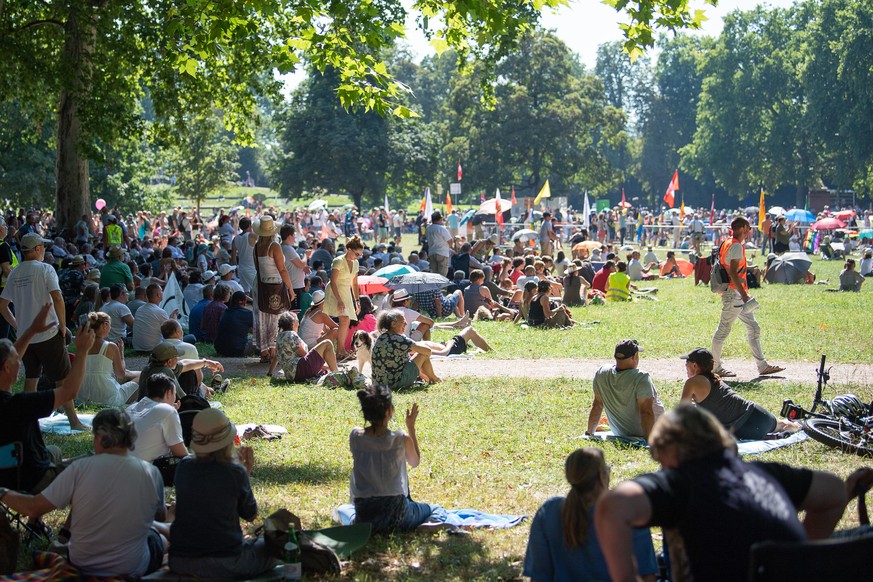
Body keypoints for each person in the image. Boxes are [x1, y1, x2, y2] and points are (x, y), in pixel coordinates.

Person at [595, 404, 849, 582]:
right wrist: (798, 560)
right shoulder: (767, 474)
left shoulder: (683, 484)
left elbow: (612, 506)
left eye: (657, 456)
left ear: (668, 449)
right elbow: (835, 491)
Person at [0, 408, 167, 578]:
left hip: (82, 562)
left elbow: (33, 508)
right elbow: (159, 517)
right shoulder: (151, 472)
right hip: (131, 567)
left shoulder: (79, 468)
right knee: (160, 539)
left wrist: (3, 492)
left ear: (100, 438)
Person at [524, 448, 658, 582]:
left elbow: (539, 576)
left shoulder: (548, 512)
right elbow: (647, 576)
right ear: (602, 476)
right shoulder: (626, 515)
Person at [169, 408, 274, 578]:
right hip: (226, 561)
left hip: (180, 561)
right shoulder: (235, 472)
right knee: (279, 547)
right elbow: (250, 514)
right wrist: (245, 474)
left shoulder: (183, 467)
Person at [0, 306, 92, 494]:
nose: (21, 362)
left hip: (5, 469)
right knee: (99, 460)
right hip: (32, 479)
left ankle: (35, 522)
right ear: (7, 368)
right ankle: (67, 523)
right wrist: (82, 351)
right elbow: (69, 391)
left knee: (54, 451)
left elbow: (10, 355)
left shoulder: (13, 402)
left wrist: (32, 330)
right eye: (17, 360)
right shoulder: (20, 405)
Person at [0, 233, 84, 429]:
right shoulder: (46, 269)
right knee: (62, 378)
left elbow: (2, 305)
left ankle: (29, 422)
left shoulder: (14, 272)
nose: (45, 250)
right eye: (43, 247)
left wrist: (17, 326)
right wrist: (62, 326)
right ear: (37, 249)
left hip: (26, 336)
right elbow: (58, 298)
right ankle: (74, 421)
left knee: (31, 378)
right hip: (48, 333)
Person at [350, 385, 437, 533]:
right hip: (397, 514)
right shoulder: (401, 438)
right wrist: (411, 427)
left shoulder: (355, 437)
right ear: (389, 411)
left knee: (344, 510)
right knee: (435, 509)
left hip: (365, 515)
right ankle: (429, 524)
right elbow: (415, 462)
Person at [711, 216, 784, 377]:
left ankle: (762, 365)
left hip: (735, 293)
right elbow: (733, 273)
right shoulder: (736, 246)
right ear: (743, 227)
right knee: (723, 330)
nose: (749, 232)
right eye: (749, 228)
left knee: (753, 328)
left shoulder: (727, 242)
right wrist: (744, 295)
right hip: (735, 295)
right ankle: (715, 367)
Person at [679, 347, 800, 439]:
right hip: (758, 417)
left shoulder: (693, 382)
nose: (685, 367)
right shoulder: (714, 378)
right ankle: (801, 427)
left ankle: (801, 427)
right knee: (785, 425)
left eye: (687, 363)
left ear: (694, 365)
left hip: (744, 427)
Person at [586, 340, 664, 440]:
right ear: (635, 356)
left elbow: (597, 405)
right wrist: (649, 442)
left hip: (621, 432)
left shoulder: (602, 372)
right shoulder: (641, 378)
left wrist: (589, 433)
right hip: (655, 431)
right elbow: (646, 411)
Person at [252, 215, 295, 362]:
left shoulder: (257, 246)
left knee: (262, 318)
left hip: (260, 285)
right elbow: (282, 269)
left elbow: (257, 267)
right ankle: (273, 350)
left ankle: (264, 352)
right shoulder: (275, 246)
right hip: (275, 285)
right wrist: (290, 289)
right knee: (275, 318)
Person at [78, 312, 140, 407]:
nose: (110, 328)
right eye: (110, 325)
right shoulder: (110, 346)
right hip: (107, 397)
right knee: (143, 375)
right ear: (105, 325)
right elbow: (121, 374)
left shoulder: (82, 345)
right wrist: (121, 355)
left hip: (84, 395)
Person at [127, 373, 188, 462]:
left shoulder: (130, 408)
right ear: (168, 393)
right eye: (174, 394)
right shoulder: (168, 411)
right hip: (147, 471)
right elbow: (180, 453)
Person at [371, 309, 439, 388]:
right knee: (423, 355)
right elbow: (428, 351)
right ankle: (434, 379)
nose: (406, 323)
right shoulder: (399, 339)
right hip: (394, 384)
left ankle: (428, 378)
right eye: (403, 321)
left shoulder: (381, 337)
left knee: (418, 355)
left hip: (379, 383)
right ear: (393, 324)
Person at [324, 235, 363, 360]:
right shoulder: (338, 261)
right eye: (357, 254)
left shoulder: (355, 263)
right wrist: (339, 300)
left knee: (346, 321)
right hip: (335, 291)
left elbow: (355, 283)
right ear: (349, 249)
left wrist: (357, 300)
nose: (358, 257)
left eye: (360, 255)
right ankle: (340, 350)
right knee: (345, 319)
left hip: (346, 292)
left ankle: (340, 350)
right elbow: (333, 281)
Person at [268, 311, 338, 380]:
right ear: (293, 323)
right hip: (300, 370)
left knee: (323, 351)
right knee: (327, 343)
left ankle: (334, 372)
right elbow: (304, 354)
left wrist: (270, 373)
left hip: (291, 375)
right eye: (297, 321)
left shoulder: (280, 337)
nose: (298, 324)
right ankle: (337, 374)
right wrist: (324, 366)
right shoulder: (291, 335)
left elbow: (276, 357)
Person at [132, 283, 177, 353]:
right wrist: (174, 320)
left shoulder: (140, 309)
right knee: (190, 338)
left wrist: (170, 319)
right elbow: (172, 333)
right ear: (158, 295)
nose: (163, 292)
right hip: (154, 348)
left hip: (138, 348)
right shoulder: (160, 312)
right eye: (161, 291)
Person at [215, 290, 256, 357]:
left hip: (220, 349)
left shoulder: (225, 312)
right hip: (238, 350)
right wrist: (252, 301)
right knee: (259, 341)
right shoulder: (247, 313)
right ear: (244, 301)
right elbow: (259, 329)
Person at [231, 216, 257, 292]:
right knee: (257, 289)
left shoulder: (235, 238)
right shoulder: (251, 235)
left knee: (245, 291)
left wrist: (236, 268)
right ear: (249, 225)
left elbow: (233, 257)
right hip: (251, 268)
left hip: (241, 268)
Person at [425, 211, 453, 277]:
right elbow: (449, 240)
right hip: (442, 252)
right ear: (440, 219)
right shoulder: (441, 228)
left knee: (434, 274)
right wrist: (450, 247)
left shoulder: (428, 228)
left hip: (432, 252)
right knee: (442, 275)